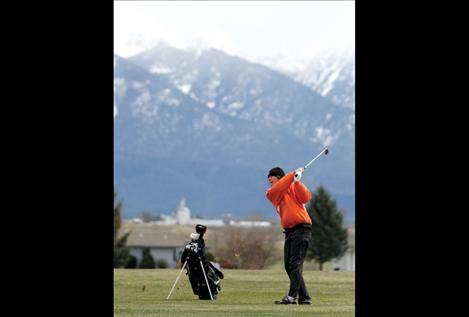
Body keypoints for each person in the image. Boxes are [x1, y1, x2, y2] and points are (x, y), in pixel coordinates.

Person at [266, 166, 313, 305]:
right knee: (289, 265)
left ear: (279, 177)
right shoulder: (271, 193)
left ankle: (292, 297)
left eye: (271, 178)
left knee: (295, 264)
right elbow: (279, 188)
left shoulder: (293, 187)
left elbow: (306, 197)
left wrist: (298, 182)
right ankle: (304, 297)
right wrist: (293, 174)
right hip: (290, 231)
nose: (269, 181)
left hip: (302, 229)